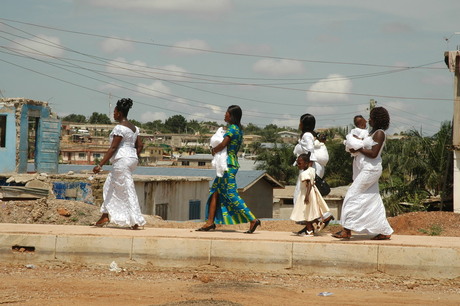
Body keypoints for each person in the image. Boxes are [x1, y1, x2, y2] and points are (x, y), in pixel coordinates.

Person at [196, 105, 261, 233]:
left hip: (228, 165)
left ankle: (253, 219)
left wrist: (213, 150)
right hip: (229, 164)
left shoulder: (232, 129)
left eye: (226, 113)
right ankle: (210, 222)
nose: (224, 115)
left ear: (231, 116)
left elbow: (224, 143)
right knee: (214, 191)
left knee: (231, 194)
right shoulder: (238, 129)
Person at [332, 107, 394, 240]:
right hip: (365, 169)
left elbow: (373, 154)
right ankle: (384, 230)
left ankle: (347, 230)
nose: (368, 119)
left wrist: (357, 147)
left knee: (351, 195)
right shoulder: (370, 133)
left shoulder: (379, 133)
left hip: (371, 169)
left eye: (371, 117)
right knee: (373, 199)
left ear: (377, 119)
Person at [93, 98, 146, 230]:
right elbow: (140, 145)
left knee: (127, 189)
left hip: (121, 161)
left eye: (115, 111)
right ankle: (105, 215)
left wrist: (100, 165)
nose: (113, 114)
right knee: (109, 186)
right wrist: (132, 156)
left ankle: (135, 220)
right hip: (130, 159)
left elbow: (113, 148)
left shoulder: (120, 128)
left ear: (120, 113)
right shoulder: (134, 128)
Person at [290, 153, 332, 236]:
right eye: (297, 163)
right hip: (312, 193)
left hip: (306, 194)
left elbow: (309, 184)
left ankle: (310, 230)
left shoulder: (304, 174)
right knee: (309, 212)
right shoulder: (312, 170)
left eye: (300, 163)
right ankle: (318, 223)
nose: (298, 165)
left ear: (306, 163)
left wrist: (306, 196)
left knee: (305, 213)